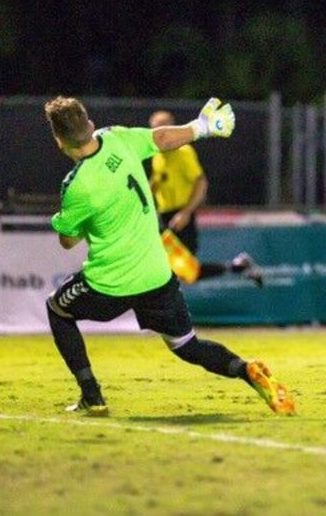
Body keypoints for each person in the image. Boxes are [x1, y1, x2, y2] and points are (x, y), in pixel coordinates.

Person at [44, 96, 294, 416]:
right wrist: (201, 127)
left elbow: (67, 241)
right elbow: (162, 139)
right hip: (156, 276)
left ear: (59, 140)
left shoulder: (76, 186)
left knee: (57, 310)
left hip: (110, 283)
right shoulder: (116, 137)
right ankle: (246, 370)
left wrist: (67, 218)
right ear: (90, 124)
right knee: (187, 346)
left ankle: (92, 396)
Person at [149, 109, 263, 287]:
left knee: (186, 271)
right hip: (164, 218)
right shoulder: (157, 155)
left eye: (162, 129)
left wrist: (186, 213)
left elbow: (201, 183)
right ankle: (239, 266)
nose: (159, 134)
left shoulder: (183, 152)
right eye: (155, 130)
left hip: (181, 218)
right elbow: (159, 181)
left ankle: (239, 266)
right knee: (173, 269)